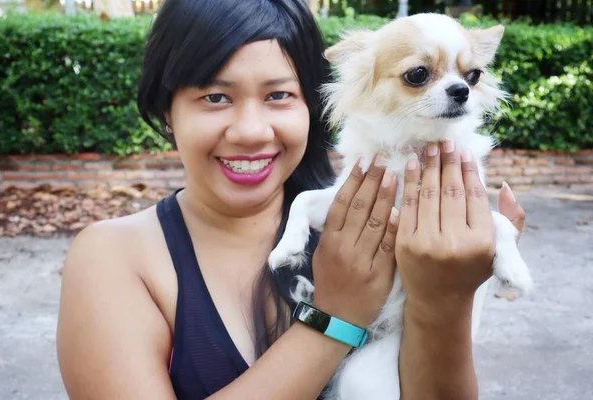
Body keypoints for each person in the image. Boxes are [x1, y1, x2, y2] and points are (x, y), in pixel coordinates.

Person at [55, 0, 526, 399]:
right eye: (216, 97)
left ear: (313, 105)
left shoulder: (372, 211)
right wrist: (337, 315)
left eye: (279, 94)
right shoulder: (114, 257)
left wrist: (446, 298)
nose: (251, 131)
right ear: (166, 109)